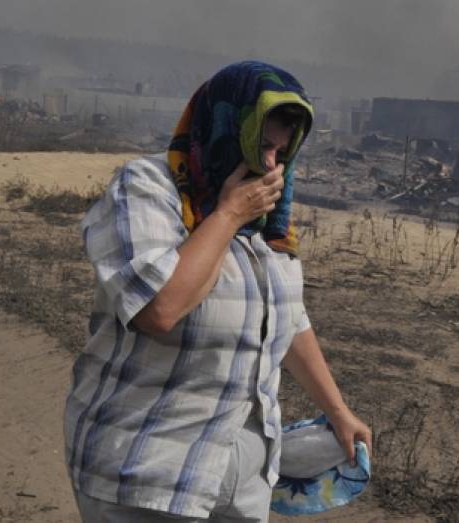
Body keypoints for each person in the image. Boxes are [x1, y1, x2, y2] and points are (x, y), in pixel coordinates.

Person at [63, 61, 371, 522]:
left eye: (282, 151)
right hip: (146, 472)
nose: (271, 165)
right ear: (226, 130)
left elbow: (288, 318)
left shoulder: (269, 225)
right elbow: (160, 308)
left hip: (241, 478)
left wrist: (338, 411)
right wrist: (226, 217)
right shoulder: (146, 189)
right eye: (261, 146)